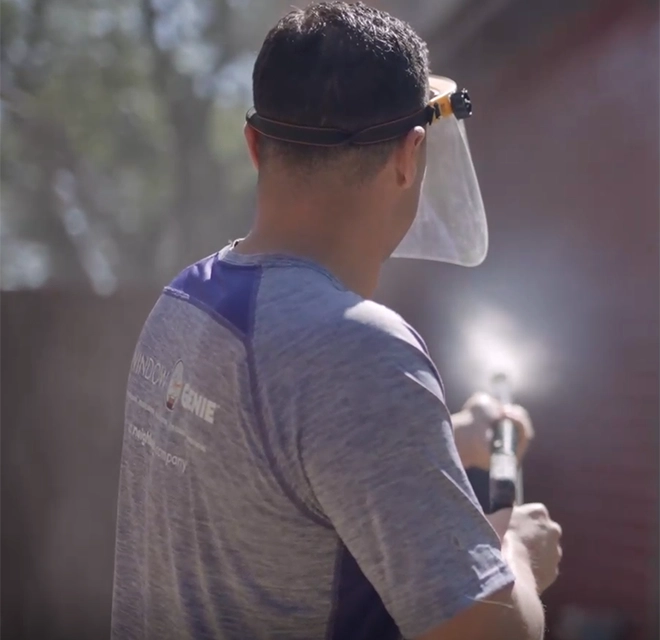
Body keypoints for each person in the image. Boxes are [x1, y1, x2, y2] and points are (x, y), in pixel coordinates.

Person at [110, 3, 562, 639]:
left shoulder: (183, 302)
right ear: (409, 156)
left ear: (254, 144)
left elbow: (271, 470)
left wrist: (439, 436)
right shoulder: (359, 352)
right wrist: (517, 553)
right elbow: (494, 635)